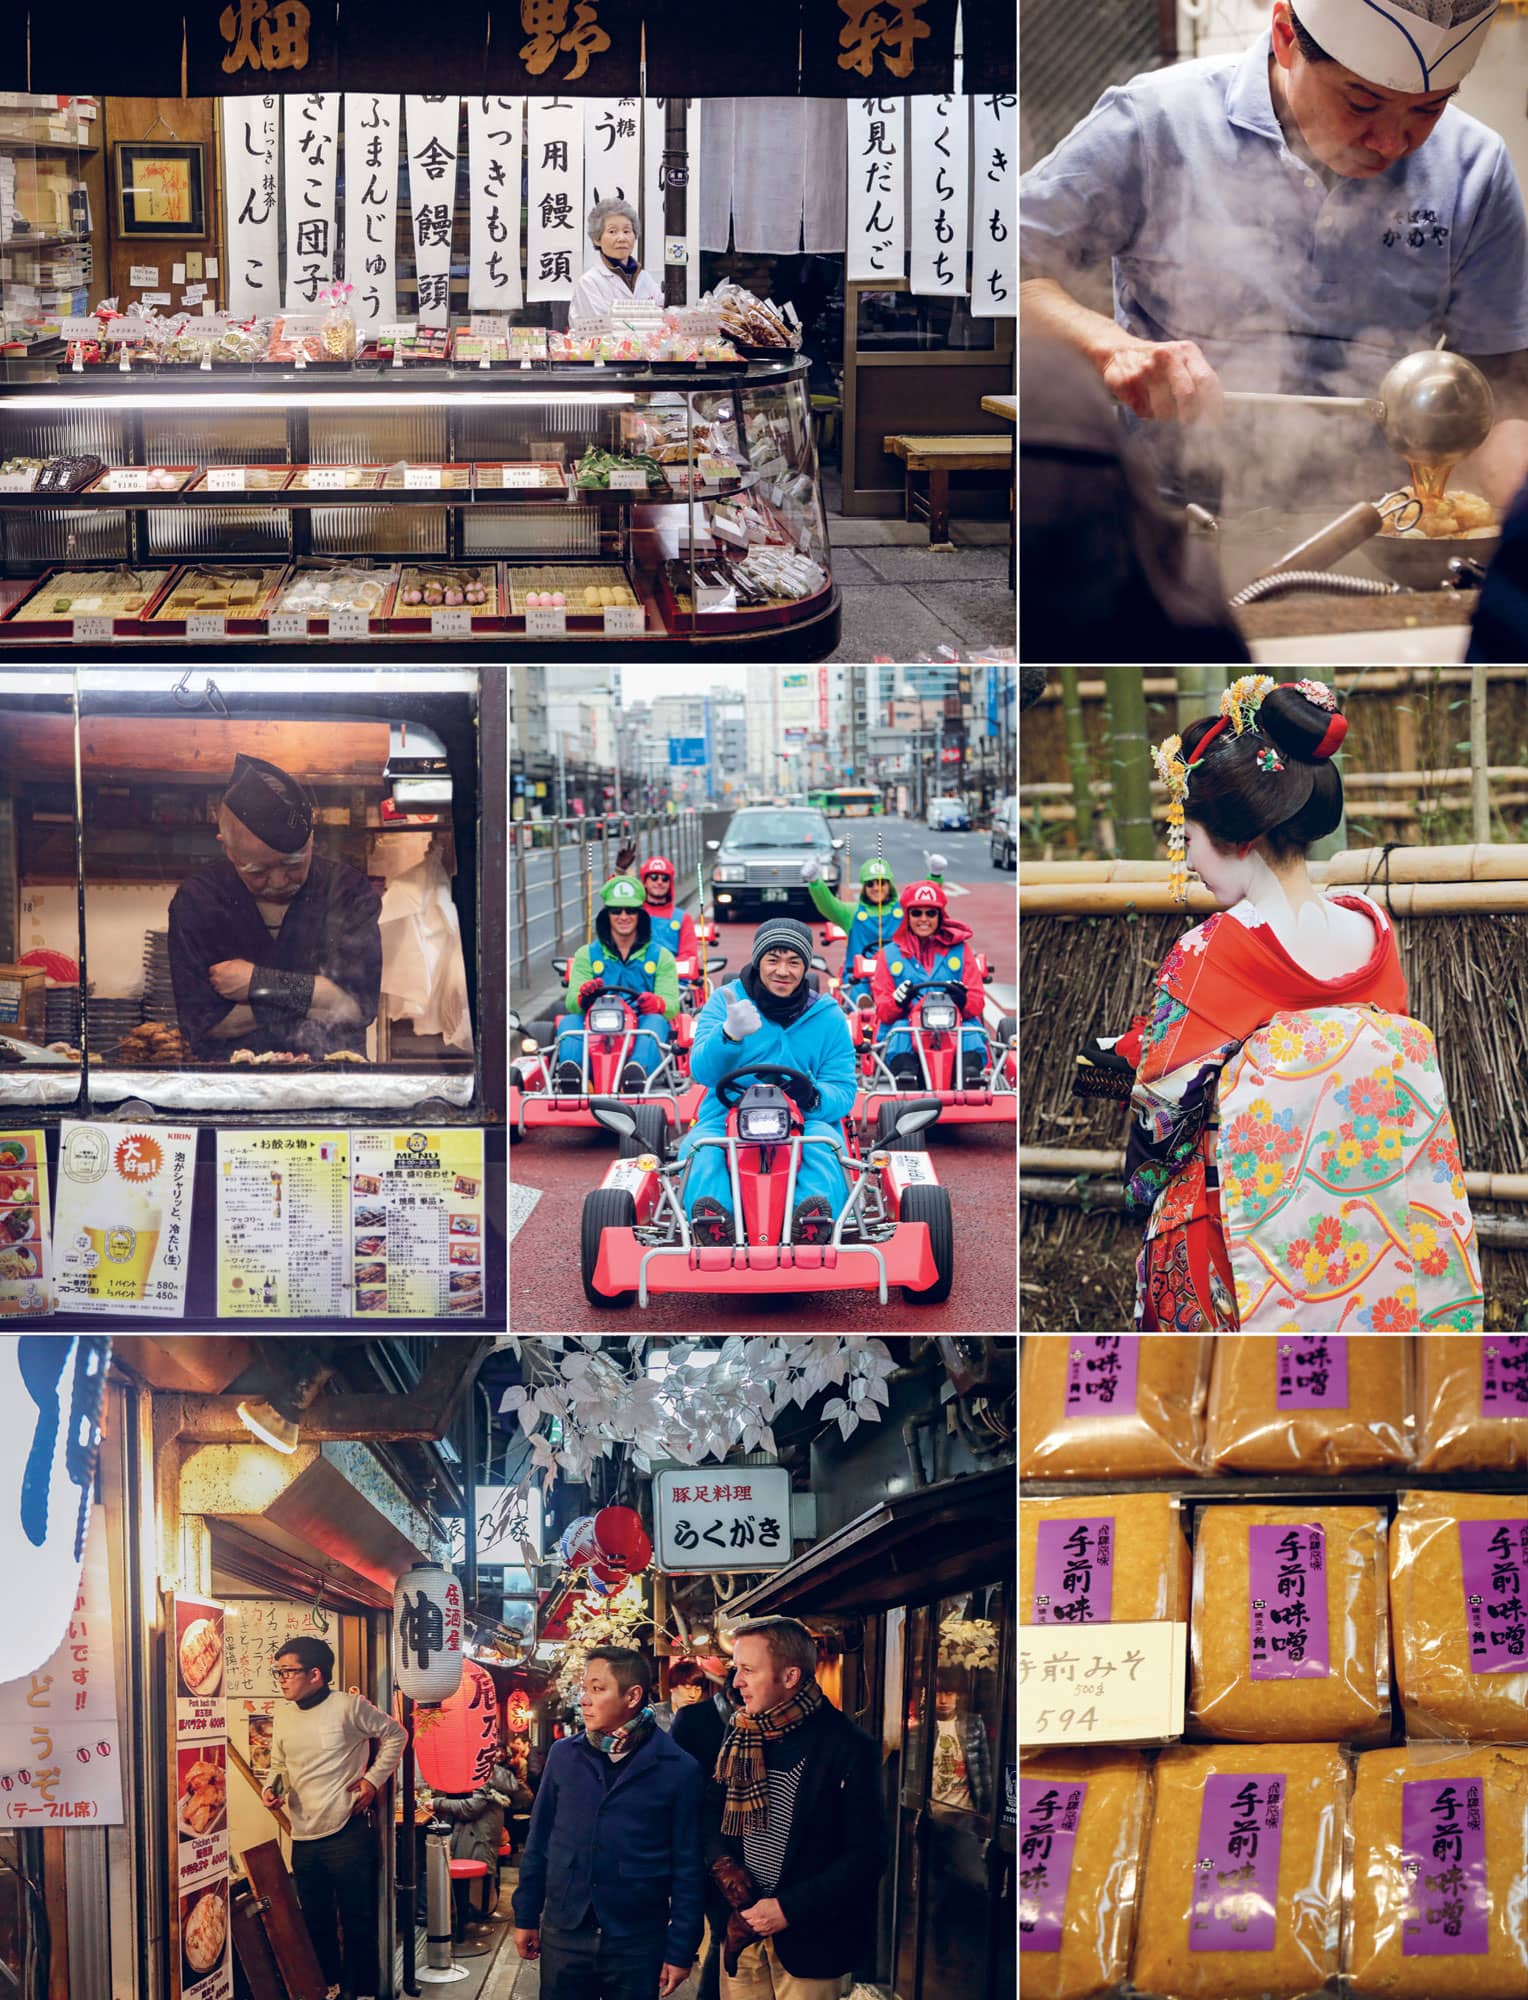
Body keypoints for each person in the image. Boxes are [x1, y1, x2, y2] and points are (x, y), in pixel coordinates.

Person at [1020, 0, 1528, 508]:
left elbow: (1502, 398)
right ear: (1285, 35)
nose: (1393, 142)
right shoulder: (1158, 122)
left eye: (1428, 108)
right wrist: (1112, 347)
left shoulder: (1473, 167)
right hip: (1170, 519)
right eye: (1362, 104)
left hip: (1385, 519)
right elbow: (1007, 268)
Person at [1097, 675, 1482, 1330]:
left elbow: (1158, 1116)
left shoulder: (1210, 949)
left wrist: (1107, 1072)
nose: (1190, 863)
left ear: (1237, 838)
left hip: (1243, 1238)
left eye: (1189, 842)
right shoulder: (1373, 932)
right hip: (1368, 1225)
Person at [709, 1618, 886, 2000]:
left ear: (789, 1676)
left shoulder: (848, 1746)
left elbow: (868, 1856)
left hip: (812, 1939)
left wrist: (788, 1908)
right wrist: (725, 1869)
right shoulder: (740, 1733)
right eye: (736, 1669)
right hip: (743, 1929)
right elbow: (711, 1815)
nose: (736, 1681)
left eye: (748, 1670)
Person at [512, 1647, 703, 2000]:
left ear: (632, 1696)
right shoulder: (564, 1755)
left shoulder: (678, 1768)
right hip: (565, 1929)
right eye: (584, 1688)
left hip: (636, 1937)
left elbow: (689, 1866)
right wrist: (526, 1914)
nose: (584, 1700)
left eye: (598, 1689)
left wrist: (680, 1949)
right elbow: (538, 1841)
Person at [169, 755, 382, 1059]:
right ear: (227, 848)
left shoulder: (347, 891)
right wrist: (313, 996)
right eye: (257, 871)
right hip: (232, 1090)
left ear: (312, 837)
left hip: (331, 1082)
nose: (280, 881)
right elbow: (204, 1024)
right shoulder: (197, 901)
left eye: (293, 862)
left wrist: (260, 983)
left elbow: (357, 1008)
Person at [682, 918, 858, 1247]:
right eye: (773, 959)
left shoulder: (828, 1015)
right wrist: (728, 1036)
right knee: (700, 1150)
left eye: (794, 962)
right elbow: (701, 1071)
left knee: (824, 1146)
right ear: (758, 960)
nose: (782, 971)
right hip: (725, 1114)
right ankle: (716, 1223)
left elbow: (844, 1088)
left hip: (805, 1119)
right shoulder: (726, 1002)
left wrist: (814, 1096)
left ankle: (809, 1223)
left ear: (805, 968)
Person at [260, 1636, 408, 2000]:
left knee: (359, 1919)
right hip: (303, 1833)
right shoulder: (282, 1714)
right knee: (315, 1919)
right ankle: (330, 1987)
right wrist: (273, 1788)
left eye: (288, 1671)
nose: (281, 1679)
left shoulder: (348, 1706)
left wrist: (372, 1781)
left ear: (315, 1674)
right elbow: (280, 1764)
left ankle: (366, 1991)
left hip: (347, 1831)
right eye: (277, 1672)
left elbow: (396, 1734)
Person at [556, 875, 680, 1093]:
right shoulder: (586, 954)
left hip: (639, 1022)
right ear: (607, 916)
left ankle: (636, 1074)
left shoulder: (661, 956)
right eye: (616, 911)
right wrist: (584, 997)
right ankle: (574, 1075)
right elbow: (571, 1002)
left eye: (630, 911)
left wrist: (656, 1004)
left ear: (640, 916)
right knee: (568, 1022)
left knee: (657, 1023)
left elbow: (671, 1005)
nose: (624, 917)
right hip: (595, 1023)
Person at [870, 881, 989, 1088]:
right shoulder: (888, 955)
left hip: (954, 1023)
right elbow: (883, 1010)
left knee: (971, 1032)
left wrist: (962, 999)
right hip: (909, 1023)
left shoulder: (960, 950)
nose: (923, 919)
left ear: (940, 916)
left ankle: (968, 1075)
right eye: (917, 913)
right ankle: (907, 1076)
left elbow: (977, 1002)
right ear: (907, 916)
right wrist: (899, 1001)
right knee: (898, 1033)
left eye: (930, 914)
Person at [672, 1661, 741, 2000]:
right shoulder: (693, 1719)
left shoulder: (760, 1726)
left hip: (747, 1849)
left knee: (731, 1937)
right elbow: (679, 1786)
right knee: (721, 1933)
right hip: (705, 1845)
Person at [429, 1745, 528, 1932]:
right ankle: (479, 1910)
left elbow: (472, 1807)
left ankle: (468, 1919)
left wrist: (437, 1802)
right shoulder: (497, 1772)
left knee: (463, 1868)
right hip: (489, 1829)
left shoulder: (480, 1772)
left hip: (479, 1831)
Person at [570, 197, 665, 329]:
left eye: (627, 231)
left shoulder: (644, 277)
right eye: (612, 232)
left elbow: (664, 316)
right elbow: (599, 329)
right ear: (597, 239)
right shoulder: (589, 282)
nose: (622, 238)